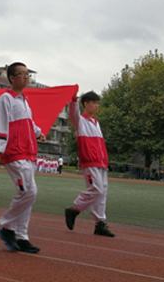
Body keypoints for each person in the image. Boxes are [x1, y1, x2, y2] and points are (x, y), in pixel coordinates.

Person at [0, 62, 46, 253]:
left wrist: (38, 133)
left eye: (27, 73)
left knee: (29, 195)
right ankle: (7, 227)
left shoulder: (23, 100)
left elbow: (28, 122)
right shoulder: (5, 99)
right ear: (12, 78)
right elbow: (0, 123)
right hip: (14, 153)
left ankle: (22, 236)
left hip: (28, 152)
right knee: (28, 193)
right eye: (22, 74)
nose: (26, 77)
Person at [64, 91, 115, 238]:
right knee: (96, 189)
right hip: (90, 161)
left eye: (98, 103)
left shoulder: (96, 122)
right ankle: (74, 210)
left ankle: (100, 223)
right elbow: (73, 114)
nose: (97, 106)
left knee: (102, 193)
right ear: (86, 104)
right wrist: (73, 99)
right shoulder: (80, 121)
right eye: (94, 103)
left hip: (101, 162)